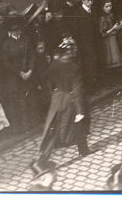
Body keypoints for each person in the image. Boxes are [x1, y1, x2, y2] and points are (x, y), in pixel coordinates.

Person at [32, 37, 89, 174]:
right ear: (68, 52)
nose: (73, 51)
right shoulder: (74, 68)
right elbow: (78, 89)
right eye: (72, 49)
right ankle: (83, 149)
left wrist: (54, 94)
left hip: (57, 98)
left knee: (52, 129)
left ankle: (43, 160)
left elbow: (49, 82)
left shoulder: (54, 64)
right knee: (78, 124)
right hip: (71, 100)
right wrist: (80, 110)